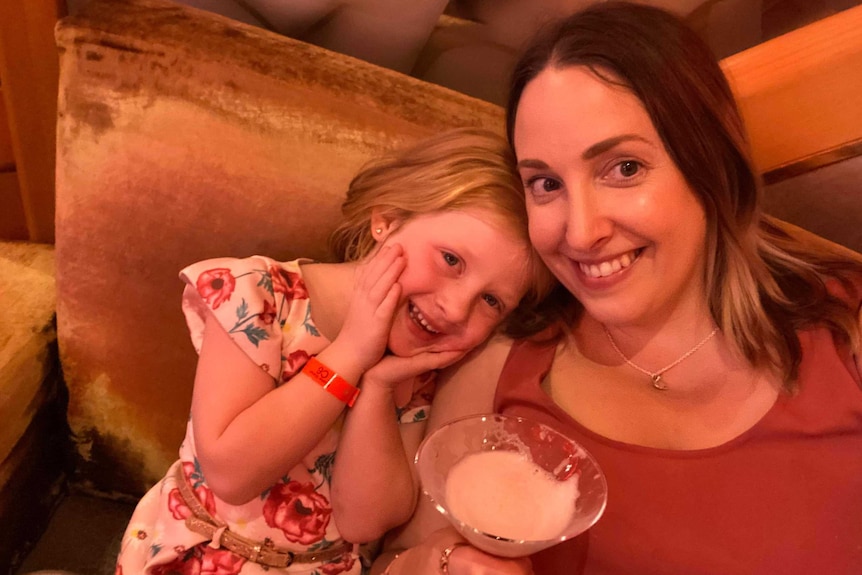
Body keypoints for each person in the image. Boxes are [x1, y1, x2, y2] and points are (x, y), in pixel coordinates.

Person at [375, 3, 862, 574]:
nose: (580, 232)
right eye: (546, 183)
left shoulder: (846, 330)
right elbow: (397, 557)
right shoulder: (501, 363)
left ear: (710, 162)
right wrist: (440, 559)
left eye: (623, 168)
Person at [113, 127, 554, 575]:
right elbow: (232, 472)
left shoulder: (419, 370)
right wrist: (351, 353)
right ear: (387, 219)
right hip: (198, 552)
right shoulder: (259, 296)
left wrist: (379, 387)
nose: (456, 308)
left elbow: (365, 521)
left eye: (491, 301)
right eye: (451, 260)